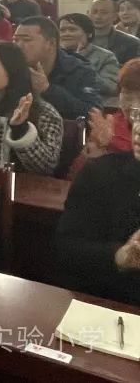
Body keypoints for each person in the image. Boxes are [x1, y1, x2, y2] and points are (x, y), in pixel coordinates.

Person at [55, 60, 140, 306]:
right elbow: (67, 250)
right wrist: (119, 256)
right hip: (114, 303)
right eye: (136, 117)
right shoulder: (101, 173)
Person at [0, 43, 62, 174]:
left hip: (23, 185)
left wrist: (21, 129)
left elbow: (47, 167)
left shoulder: (44, 112)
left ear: (13, 69)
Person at [13, 17, 101, 119]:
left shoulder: (80, 71)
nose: (18, 45)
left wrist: (48, 90)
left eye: (26, 40)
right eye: (15, 40)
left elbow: (93, 113)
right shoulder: (11, 67)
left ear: (51, 43)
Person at [59, 13, 121, 96]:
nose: (66, 34)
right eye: (62, 30)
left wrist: (79, 61)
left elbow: (110, 87)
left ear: (89, 33)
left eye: (72, 29)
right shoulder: (53, 54)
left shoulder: (106, 57)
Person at [89, 0, 140, 64]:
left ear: (115, 16)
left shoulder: (131, 43)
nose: (98, 16)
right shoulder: (79, 38)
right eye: (94, 12)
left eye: (104, 13)